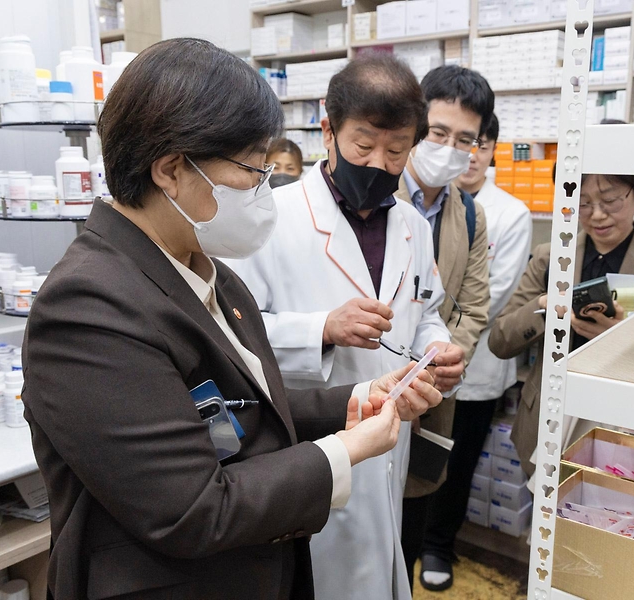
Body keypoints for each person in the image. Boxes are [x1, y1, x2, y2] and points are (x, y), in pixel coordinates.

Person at [21, 39, 444, 600]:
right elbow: (192, 508)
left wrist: (355, 398)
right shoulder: (87, 307)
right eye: (252, 168)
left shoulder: (210, 274)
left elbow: (238, 408)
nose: (264, 188)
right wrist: (347, 449)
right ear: (171, 169)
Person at [225, 53, 466, 600]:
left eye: (397, 150)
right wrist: (322, 329)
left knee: (382, 564)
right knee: (322, 575)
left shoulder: (412, 227)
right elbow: (233, 337)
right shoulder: (273, 219)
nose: (379, 163)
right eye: (363, 145)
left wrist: (439, 349)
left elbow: (425, 311)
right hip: (312, 440)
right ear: (328, 131)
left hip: (391, 433)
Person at [416, 113, 532, 591]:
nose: (465, 153)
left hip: (477, 368)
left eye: (477, 144)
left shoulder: (510, 213)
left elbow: (491, 294)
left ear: (490, 151)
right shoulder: (418, 198)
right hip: (416, 359)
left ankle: (439, 546)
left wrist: (433, 326)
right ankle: (415, 538)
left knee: (455, 463)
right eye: (449, 138)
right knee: (416, 458)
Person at [488, 174, 634, 476]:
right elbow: (500, 340)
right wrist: (543, 306)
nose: (597, 214)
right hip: (547, 421)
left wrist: (618, 337)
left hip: (621, 422)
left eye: (610, 201)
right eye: (582, 203)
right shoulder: (550, 257)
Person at [394, 64, 493, 589]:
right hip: (367, 384)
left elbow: (474, 306)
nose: (451, 147)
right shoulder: (376, 195)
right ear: (414, 124)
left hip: (433, 397)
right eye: (438, 132)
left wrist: (443, 362)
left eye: (465, 139)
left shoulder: (469, 215)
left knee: (412, 519)